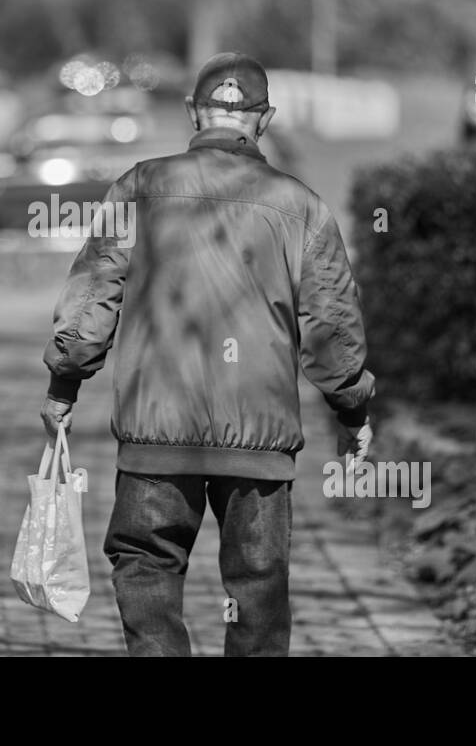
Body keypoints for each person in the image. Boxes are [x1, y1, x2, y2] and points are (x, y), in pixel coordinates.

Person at [40, 52, 375, 656]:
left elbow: (92, 298)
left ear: (193, 112)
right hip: (261, 446)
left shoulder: (139, 187)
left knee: (145, 567)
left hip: (155, 436)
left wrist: (65, 385)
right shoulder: (302, 208)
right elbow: (331, 328)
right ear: (264, 119)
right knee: (258, 588)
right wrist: (351, 411)